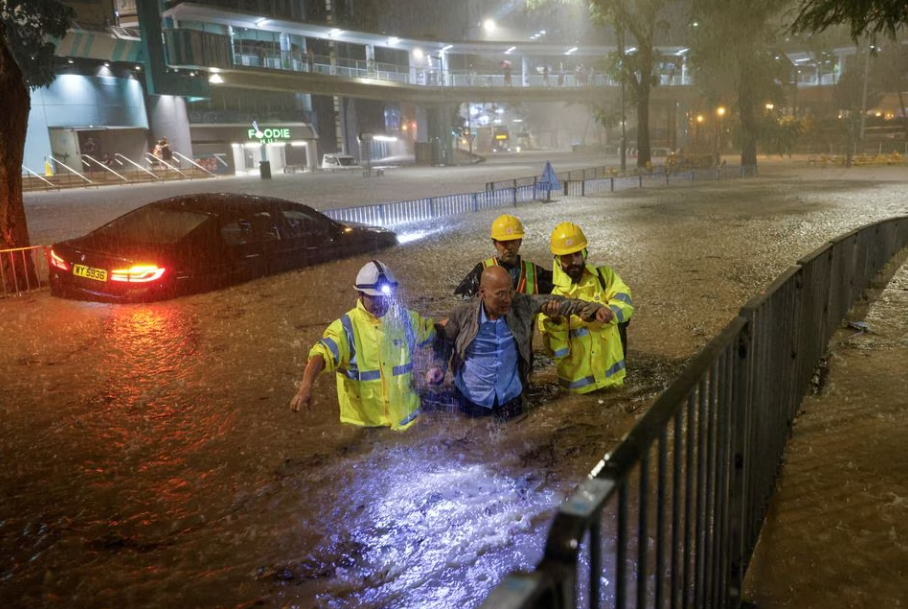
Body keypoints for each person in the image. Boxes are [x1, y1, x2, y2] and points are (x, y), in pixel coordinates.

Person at [289, 261, 442, 430]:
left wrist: (463, 319)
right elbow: (320, 356)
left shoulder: (406, 320)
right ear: (359, 294)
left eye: (384, 296)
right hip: (365, 427)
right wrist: (306, 386)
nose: (380, 302)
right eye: (373, 297)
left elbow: (435, 333)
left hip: (407, 421)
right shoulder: (346, 329)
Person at [441, 266, 609, 420]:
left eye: (510, 292)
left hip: (511, 399)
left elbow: (564, 303)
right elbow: (444, 342)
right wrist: (438, 367)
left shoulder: (521, 304)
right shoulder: (463, 314)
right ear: (482, 292)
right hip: (471, 399)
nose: (507, 299)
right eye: (500, 294)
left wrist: (593, 309)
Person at [538, 222, 633, 394]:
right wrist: (555, 321)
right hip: (578, 393)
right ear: (557, 261)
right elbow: (558, 354)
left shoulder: (605, 277)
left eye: (577, 254)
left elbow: (626, 304)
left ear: (585, 253)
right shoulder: (553, 300)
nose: (573, 261)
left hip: (613, 382)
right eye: (566, 257)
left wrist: (609, 312)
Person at [454, 214, 554, 299]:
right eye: (504, 242)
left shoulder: (534, 272)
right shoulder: (482, 270)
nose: (509, 247)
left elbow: (560, 284)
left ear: (520, 242)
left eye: (513, 241)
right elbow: (462, 299)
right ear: (495, 243)